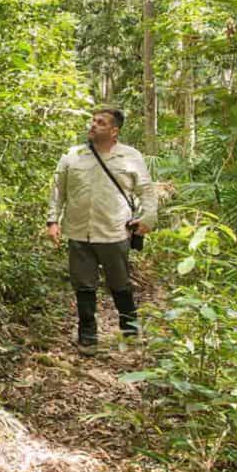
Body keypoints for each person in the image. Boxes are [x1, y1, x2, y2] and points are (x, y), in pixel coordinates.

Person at [46, 108, 158, 349]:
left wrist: (148, 218)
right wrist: (52, 221)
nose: (93, 125)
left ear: (114, 131)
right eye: (93, 121)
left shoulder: (130, 157)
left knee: (120, 283)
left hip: (114, 232)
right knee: (83, 285)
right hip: (79, 231)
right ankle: (88, 334)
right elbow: (58, 190)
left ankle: (130, 329)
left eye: (101, 122)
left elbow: (146, 191)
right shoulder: (72, 156)